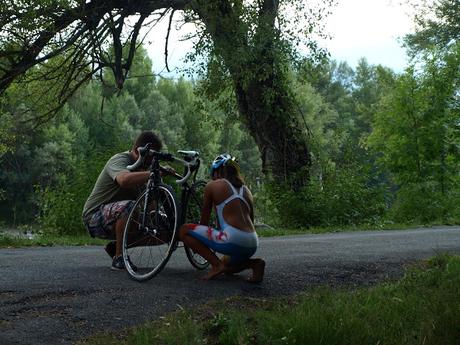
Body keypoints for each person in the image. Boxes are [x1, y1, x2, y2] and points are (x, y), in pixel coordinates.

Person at [82, 131, 167, 271]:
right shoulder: (120, 159)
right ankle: (119, 257)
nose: (151, 162)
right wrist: (153, 173)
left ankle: (116, 247)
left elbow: (152, 207)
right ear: (137, 151)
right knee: (129, 206)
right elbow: (124, 180)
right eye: (149, 157)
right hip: (94, 217)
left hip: (119, 216)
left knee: (163, 231)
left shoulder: (144, 171)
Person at [179, 153, 265, 283]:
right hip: (252, 243)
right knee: (227, 267)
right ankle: (255, 264)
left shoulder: (212, 186)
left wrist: (200, 245)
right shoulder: (246, 190)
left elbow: (203, 223)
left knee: (184, 230)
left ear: (216, 172)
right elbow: (251, 221)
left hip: (232, 240)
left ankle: (216, 265)